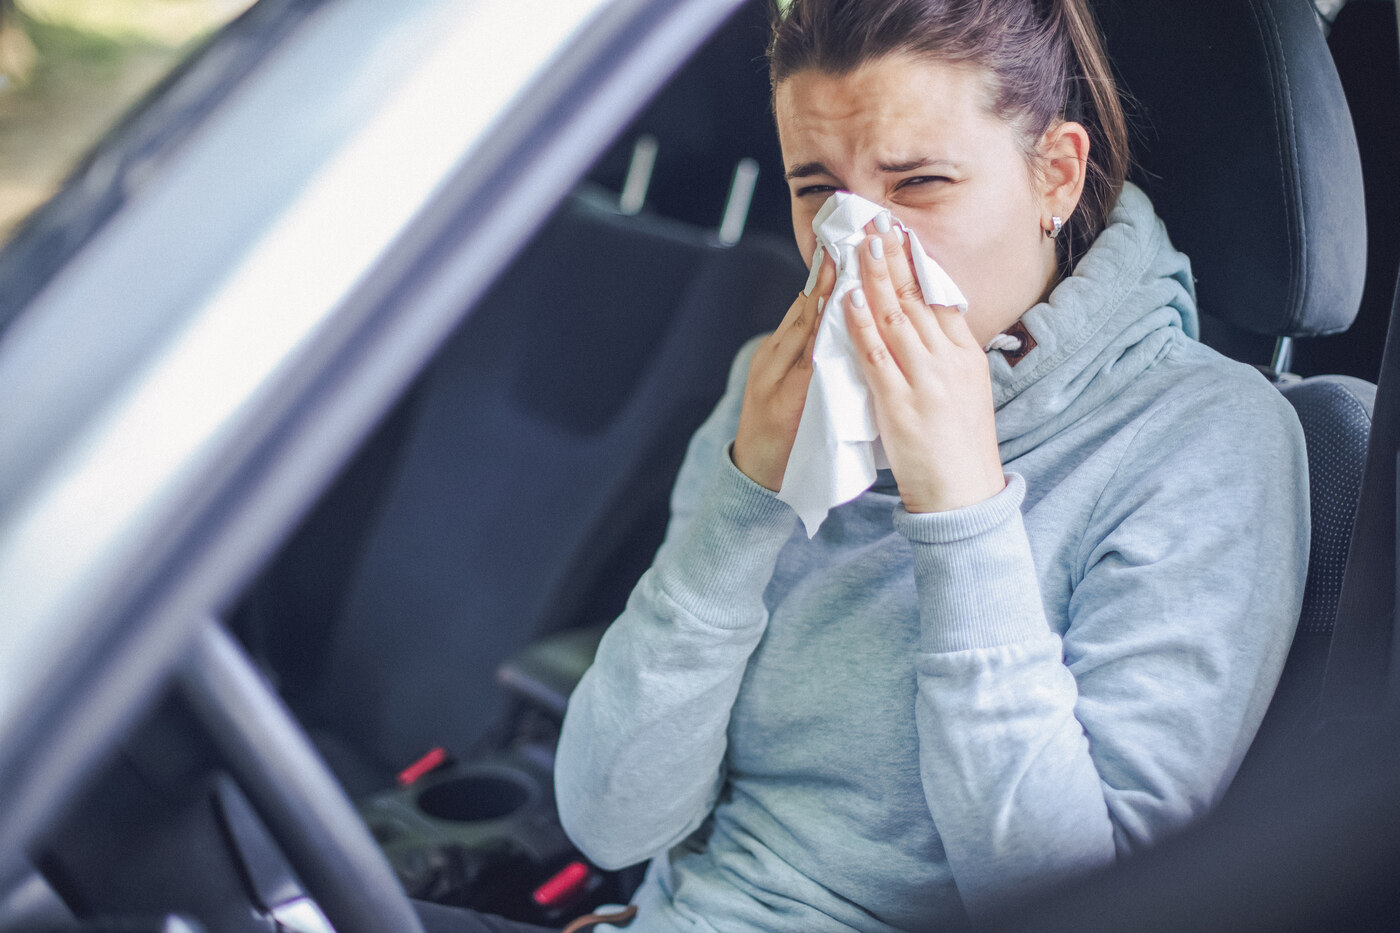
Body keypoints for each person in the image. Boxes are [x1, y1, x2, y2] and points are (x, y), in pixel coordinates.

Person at [426, 0, 1310, 930]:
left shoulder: (1201, 441)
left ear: (1055, 175)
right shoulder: (773, 389)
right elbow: (612, 821)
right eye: (819, 191)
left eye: (920, 182)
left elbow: (1080, 898)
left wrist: (962, 505)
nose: (857, 245)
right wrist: (743, 502)